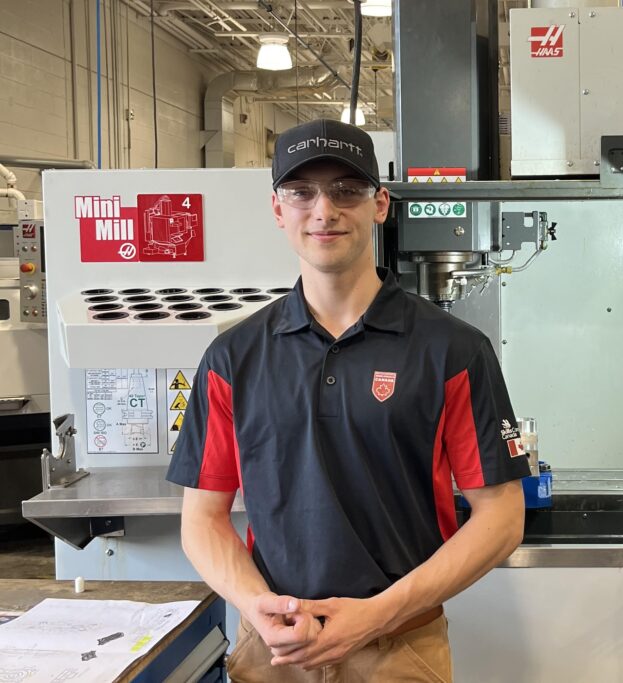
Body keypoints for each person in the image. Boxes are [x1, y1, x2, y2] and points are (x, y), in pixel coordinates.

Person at [167, 118, 529, 682]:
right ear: (277, 208)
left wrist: (377, 615)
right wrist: (256, 606)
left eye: (346, 189)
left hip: (398, 647)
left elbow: (502, 516)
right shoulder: (233, 359)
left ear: (379, 203)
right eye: (302, 192)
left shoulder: (452, 350)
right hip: (274, 648)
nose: (323, 210)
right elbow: (203, 519)